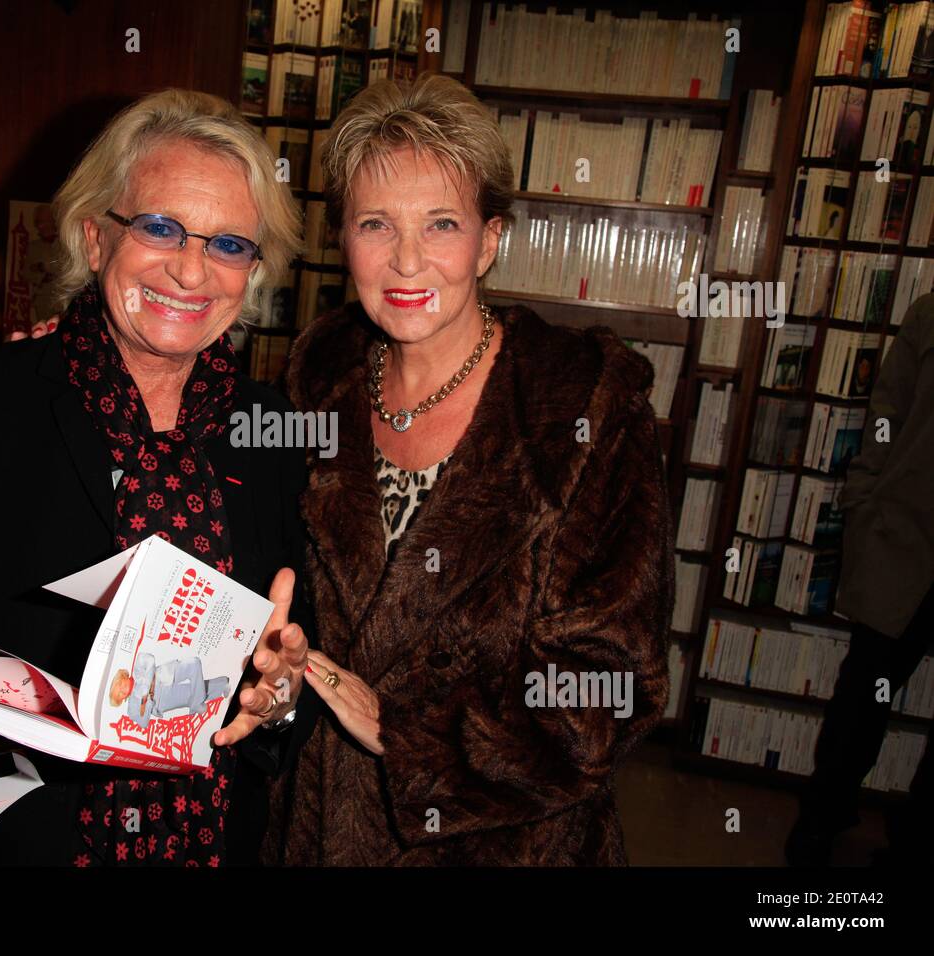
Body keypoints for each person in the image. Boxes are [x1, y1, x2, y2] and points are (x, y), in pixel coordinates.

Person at [0, 87, 318, 867]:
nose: (192, 270)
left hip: (210, 843)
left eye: (230, 243)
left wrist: (280, 699)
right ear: (96, 239)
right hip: (12, 846)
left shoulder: (273, 435)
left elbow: (296, 655)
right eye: (161, 226)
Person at [262, 74, 674, 866]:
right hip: (316, 827)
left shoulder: (584, 405)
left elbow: (611, 688)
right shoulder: (320, 374)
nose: (407, 259)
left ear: (488, 240)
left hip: (506, 844)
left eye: (441, 223)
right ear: (341, 238)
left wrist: (414, 737)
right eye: (375, 223)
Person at [785, 297, 934, 867]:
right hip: (905, 537)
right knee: (864, 695)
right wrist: (864, 499)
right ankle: (822, 818)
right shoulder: (927, 316)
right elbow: (886, 411)